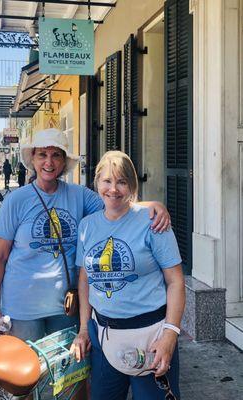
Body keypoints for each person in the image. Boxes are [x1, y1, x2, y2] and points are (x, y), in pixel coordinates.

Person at [0, 129, 170, 343]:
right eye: (42, 155)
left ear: (64, 162)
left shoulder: (78, 195)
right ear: (33, 159)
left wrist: (154, 206)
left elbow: (117, 203)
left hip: (65, 307)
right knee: (26, 373)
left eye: (56, 155)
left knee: (66, 374)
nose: (49, 162)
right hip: (21, 308)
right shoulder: (15, 201)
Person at [72, 151, 185, 400]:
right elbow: (84, 280)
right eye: (107, 181)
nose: (114, 189)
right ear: (97, 183)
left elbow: (176, 281)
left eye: (122, 181)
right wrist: (83, 328)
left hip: (151, 338)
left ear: (132, 185)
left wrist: (169, 336)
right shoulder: (87, 226)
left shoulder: (154, 222)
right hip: (103, 339)